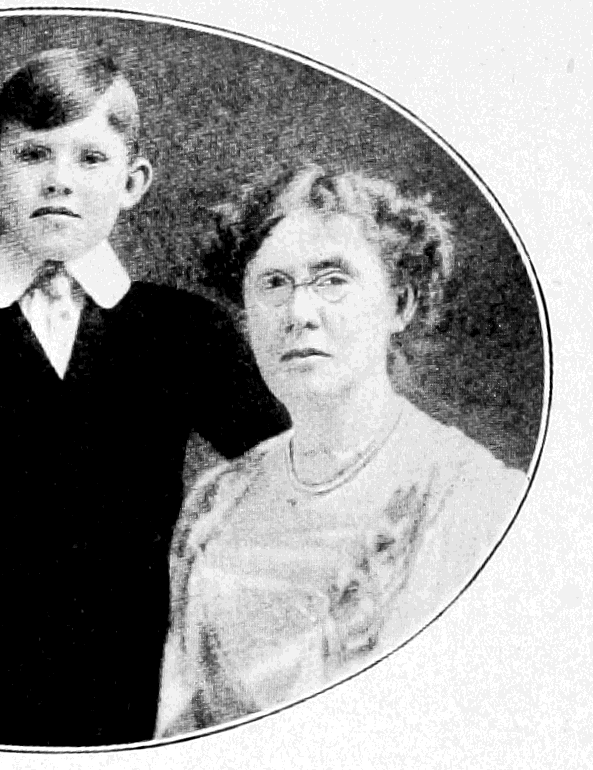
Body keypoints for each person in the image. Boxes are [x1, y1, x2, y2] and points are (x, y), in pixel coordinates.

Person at [0, 48, 288, 746]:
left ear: (133, 181)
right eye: (32, 155)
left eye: (90, 158)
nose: (59, 181)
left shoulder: (184, 330)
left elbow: (279, 476)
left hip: (137, 688)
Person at [155, 165, 528, 737]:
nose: (298, 314)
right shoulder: (214, 504)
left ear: (399, 303)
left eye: (332, 280)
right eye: (273, 284)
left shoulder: (474, 497)